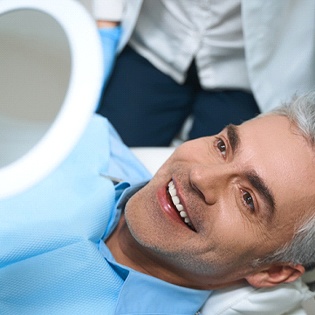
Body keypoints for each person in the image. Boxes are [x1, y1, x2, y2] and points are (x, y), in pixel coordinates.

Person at [2, 92, 315, 314]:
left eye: (247, 199)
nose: (200, 177)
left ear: (273, 271)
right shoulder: (88, 138)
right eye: (222, 146)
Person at [93, 0, 315, 146]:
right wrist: (106, 22)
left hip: (247, 69)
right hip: (157, 40)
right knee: (107, 161)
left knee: (216, 194)